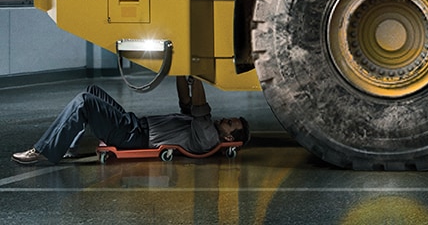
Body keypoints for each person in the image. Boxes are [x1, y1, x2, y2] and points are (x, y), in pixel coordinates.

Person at [10, 76, 249, 165]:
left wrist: (196, 72)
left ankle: (42, 150)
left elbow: (198, 106)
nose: (225, 119)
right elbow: (185, 100)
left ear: (228, 137)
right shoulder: (202, 128)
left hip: (132, 136)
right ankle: (68, 148)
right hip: (133, 124)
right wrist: (181, 68)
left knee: (85, 101)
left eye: (230, 123)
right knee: (92, 90)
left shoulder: (207, 137)